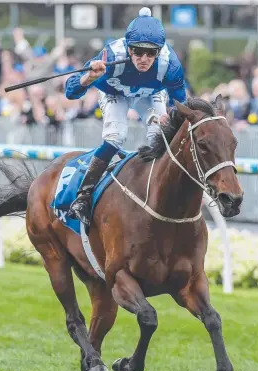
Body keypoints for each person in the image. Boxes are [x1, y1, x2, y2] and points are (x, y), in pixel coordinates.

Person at [64, 7, 187, 226]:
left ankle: (163, 193)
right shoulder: (111, 55)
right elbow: (70, 91)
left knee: (160, 135)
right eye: (138, 52)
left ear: (160, 51)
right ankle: (83, 196)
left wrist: (172, 116)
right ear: (128, 49)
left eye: (151, 53)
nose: (144, 58)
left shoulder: (170, 64)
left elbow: (181, 103)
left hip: (150, 95)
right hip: (114, 94)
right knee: (115, 137)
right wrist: (88, 78)